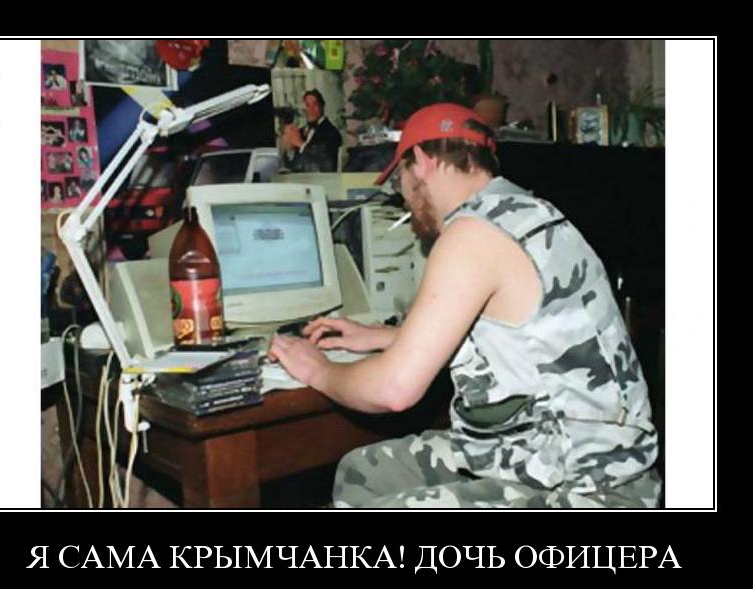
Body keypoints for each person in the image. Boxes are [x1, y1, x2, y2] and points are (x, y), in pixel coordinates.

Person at [268, 102, 660, 509]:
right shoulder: (525, 211)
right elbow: (518, 336)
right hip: (552, 454)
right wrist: (386, 337)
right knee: (364, 471)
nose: (404, 197)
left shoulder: (472, 233)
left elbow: (393, 390)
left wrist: (317, 369)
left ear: (420, 161)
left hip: (590, 488)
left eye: (400, 177)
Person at [282, 89, 342, 172]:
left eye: (315, 104)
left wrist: (300, 143)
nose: (311, 109)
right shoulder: (301, 131)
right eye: (307, 105)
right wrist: (290, 148)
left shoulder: (331, 132)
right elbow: (291, 165)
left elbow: (325, 163)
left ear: (322, 106)